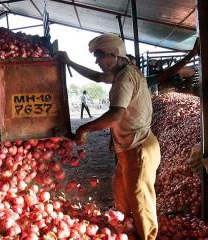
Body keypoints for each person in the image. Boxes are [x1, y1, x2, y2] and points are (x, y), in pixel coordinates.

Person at [57, 33, 161, 240]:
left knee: (141, 203)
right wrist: (69, 62)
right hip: (128, 150)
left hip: (138, 149)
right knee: (123, 200)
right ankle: (128, 233)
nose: (96, 61)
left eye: (98, 56)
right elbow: (98, 77)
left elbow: (116, 115)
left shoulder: (124, 77)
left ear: (113, 55)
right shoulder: (124, 69)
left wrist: (83, 129)